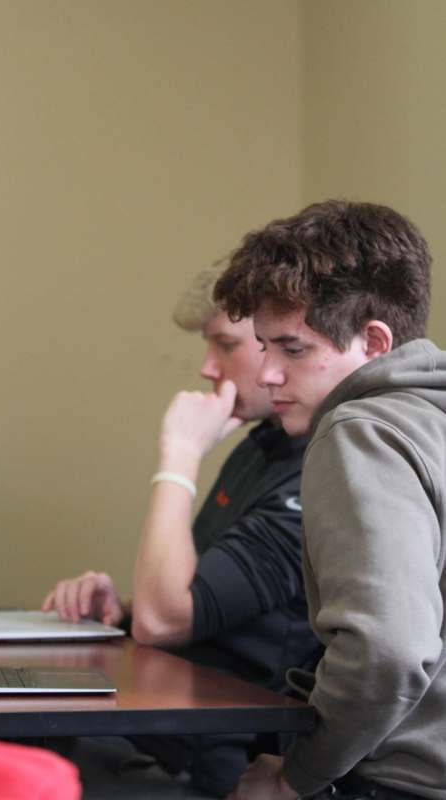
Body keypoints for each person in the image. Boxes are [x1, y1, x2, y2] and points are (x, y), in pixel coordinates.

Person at [42, 258, 320, 797]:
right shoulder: (262, 446)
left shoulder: (316, 470)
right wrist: (119, 609)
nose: (208, 368)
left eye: (225, 344)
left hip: (207, 763)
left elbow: (165, 619)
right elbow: (178, 604)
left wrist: (180, 454)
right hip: (155, 730)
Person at [211, 199, 446, 800]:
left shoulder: (358, 430)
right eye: (262, 346)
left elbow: (388, 648)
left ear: (373, 342)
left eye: (292, 348)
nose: (266, 373)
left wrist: (297, 778)